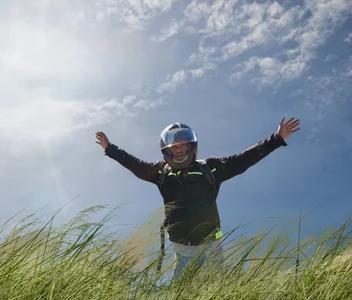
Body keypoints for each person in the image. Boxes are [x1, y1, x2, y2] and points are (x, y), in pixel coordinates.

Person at [95, 117, 301, 280]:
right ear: (166, 150)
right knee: (181, 296)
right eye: (175, 147)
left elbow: (243, 160)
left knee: (215, 291)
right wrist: (110, 148)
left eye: (183, 146)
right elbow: (135, 164)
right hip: (181, 247)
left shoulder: (210, 168)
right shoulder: (160, 172)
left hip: (211, 243)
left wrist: (276, 139)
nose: (179, 150)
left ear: (192, 147)